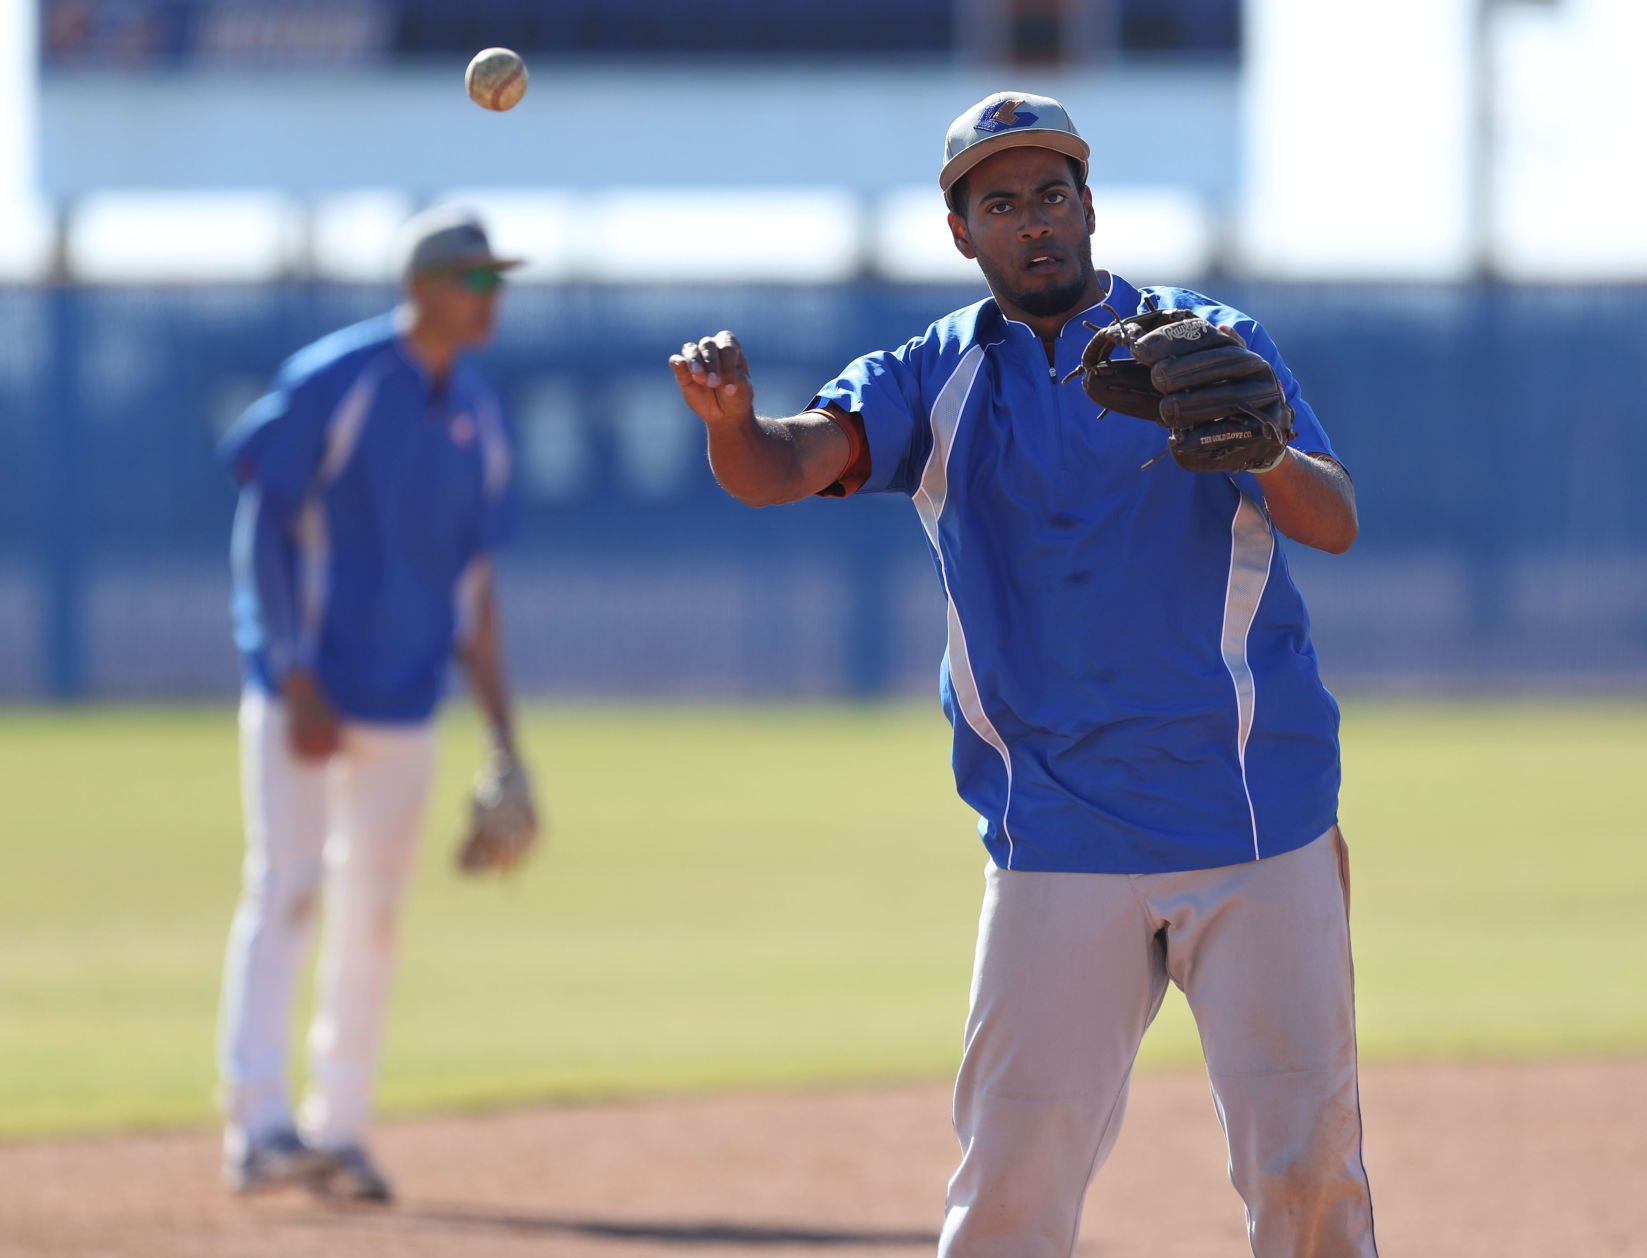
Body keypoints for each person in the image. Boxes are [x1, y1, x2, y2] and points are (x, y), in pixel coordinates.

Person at [668, 92, 1376, 1257]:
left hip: (1257, 814)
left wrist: (1266, 450)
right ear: (964, 235)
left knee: (1307, 1177)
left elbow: (1334, 518)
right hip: (1056, 831)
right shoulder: (933, 375)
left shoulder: (1205, 340)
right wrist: (731, 422)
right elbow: (785, 464)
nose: (1034, 220)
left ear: (1089, 205)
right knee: (1007, 1193)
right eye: (1002, 202)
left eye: (1053, 193)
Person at [214, 208, 535, 1202]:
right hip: (309, 693)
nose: (493, 298)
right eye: (477, 281)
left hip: (405, 701)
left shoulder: (479, 416)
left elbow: (474, 591)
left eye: (498, 281)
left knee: (376, 913)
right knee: (289, 889)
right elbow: (262, 523)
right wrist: (288, 671)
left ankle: (339, 1126)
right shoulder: (337, 379)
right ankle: (258, 1125)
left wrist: (504, 742)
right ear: (426, 286)